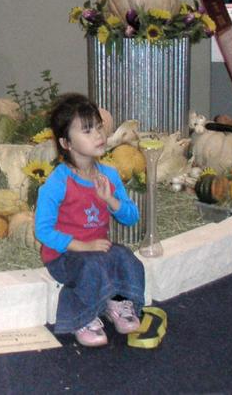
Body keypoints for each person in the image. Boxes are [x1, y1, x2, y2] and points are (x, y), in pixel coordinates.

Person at [35, 93, 144, 347]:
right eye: (87, 131)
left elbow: (132, 218)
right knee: (90, 268)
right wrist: (81, 246)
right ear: (66, 143)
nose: (98, 135)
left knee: (125, 258)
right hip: (65, 255)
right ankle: (81, 318)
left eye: (98, 127)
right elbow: (43, 231)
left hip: (97, 248)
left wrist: (111, 201)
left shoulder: (109, 175)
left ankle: (117, 301)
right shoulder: (58, 182)